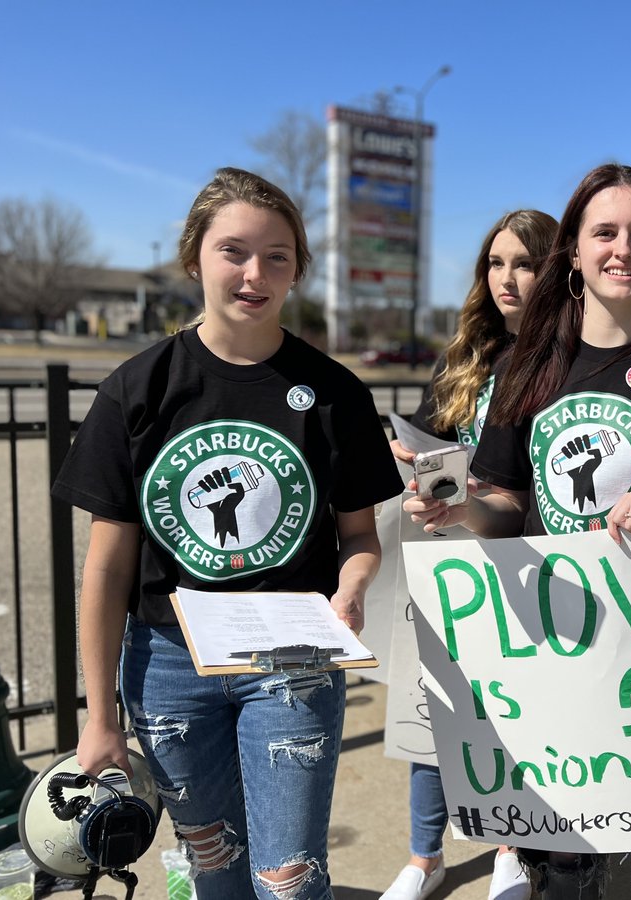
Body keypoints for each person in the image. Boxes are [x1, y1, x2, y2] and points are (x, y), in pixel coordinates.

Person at [406, 164, 631, 900]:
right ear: (573, 254)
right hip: (556, 645)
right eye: (603, 232)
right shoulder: (527, 367)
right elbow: (509, 501)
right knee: (567, 867)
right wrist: (463, 510)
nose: (624, 249)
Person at [52, 167, 402, 900]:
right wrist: (100, 719)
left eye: (278, 256)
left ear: (299, 271)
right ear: (194, 258)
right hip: (168, 664)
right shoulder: (137, 389)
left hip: (293, 658)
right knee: (212, 867)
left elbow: (361, 538)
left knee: (286, 877)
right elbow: (105, 570)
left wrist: (353, 583)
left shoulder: (336, 394)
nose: (255, 273)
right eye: (233, 251)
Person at [381, 209, 557, 900]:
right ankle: (426, 857)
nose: (508, 278)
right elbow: (426, 439)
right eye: (496, 262)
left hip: (535, 561)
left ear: (556, 271)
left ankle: (511, 844)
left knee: (518, 715)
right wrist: (411, 459)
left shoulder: (569, 361)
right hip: (455, 557)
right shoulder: (468, 356)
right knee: (434, 710)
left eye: (526, 263)